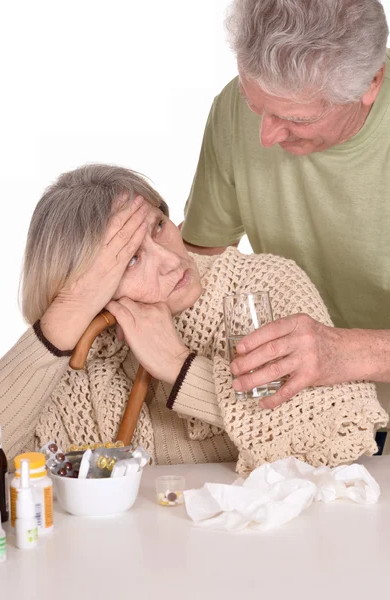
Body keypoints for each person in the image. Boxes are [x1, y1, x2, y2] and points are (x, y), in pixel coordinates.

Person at [0, 164, 387, 473]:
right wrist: (66, 315)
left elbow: (341, 432)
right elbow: (1, 459)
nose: (170, 260)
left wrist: (182, 368)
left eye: (159, 227)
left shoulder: (261, 286)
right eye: (131, 258)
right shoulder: (85, 348)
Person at [181, 0, 390, 429]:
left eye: (295, 117)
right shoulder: (233, 111)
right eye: (255, 105)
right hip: (305, 412)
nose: (266, 136)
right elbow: (201, 267)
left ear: (372, 82)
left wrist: (349, 353)